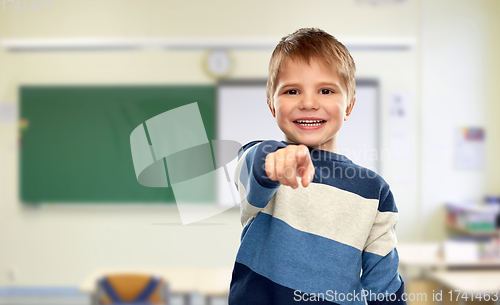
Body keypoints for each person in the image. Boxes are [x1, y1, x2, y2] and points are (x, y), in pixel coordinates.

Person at [228, 27, 407, 305]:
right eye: (292, 91)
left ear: (349, 106)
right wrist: (275, 160)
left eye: (326, 90)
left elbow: (383, 287)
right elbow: (258, 163)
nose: (309, 102)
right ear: (272, 105)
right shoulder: (262, 161)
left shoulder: (374, 191)